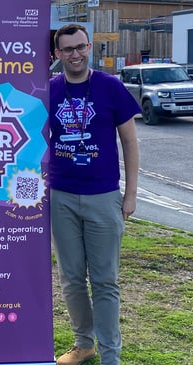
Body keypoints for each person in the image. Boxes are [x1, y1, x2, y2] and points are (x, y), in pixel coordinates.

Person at [49, 24, 140, 365]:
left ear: (90, 48)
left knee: (104, 280)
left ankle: (111, 354)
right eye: (67, 49)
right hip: (62, 196)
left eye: (80, 47)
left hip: (104, 196)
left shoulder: (110, 87)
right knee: (71, 278)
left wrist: (130, 196)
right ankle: (83, 344)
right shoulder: (48, 90)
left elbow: (130, 142)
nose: (75, 54)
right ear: (57, 54)